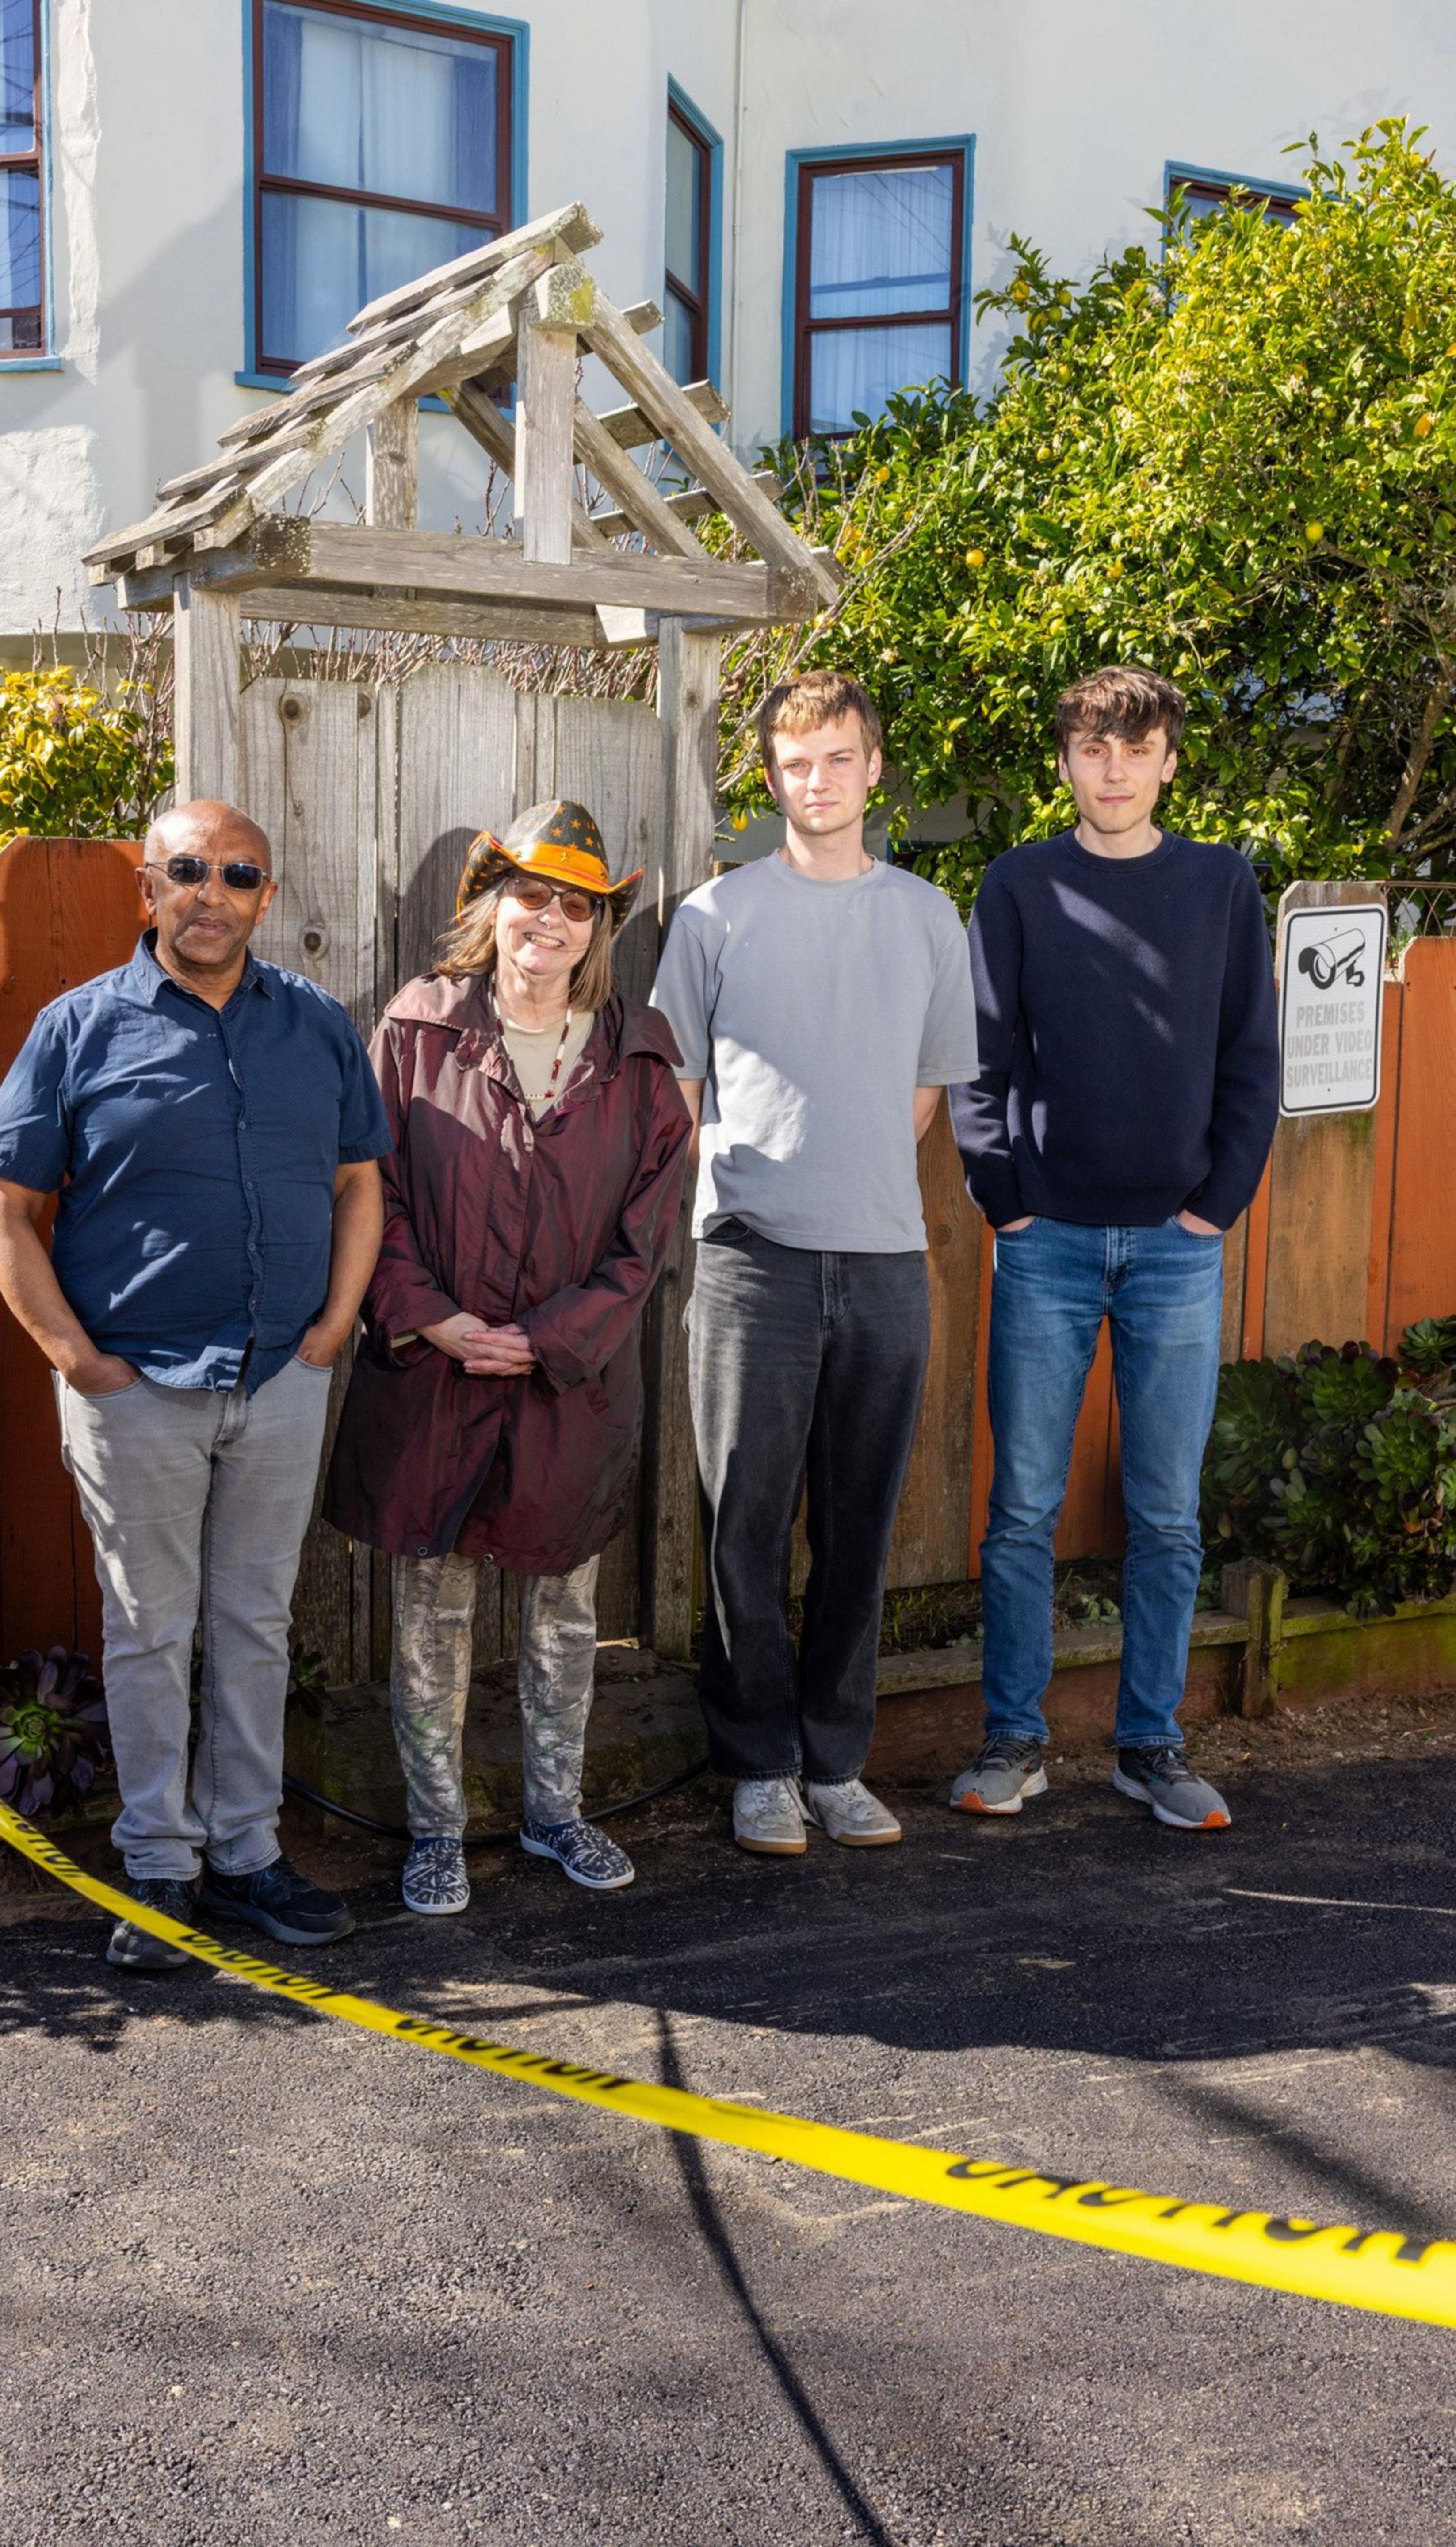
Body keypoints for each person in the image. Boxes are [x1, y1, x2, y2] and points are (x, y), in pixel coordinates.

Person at [0, 801, 390, 1969]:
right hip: (135, 1388)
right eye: (188, 872)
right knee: (150, 1632)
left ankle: (248, 1854)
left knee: (254, 1625)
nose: (213, 894)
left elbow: (361, 1185)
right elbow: (1, 1211)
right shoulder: (79, 1029)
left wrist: (338, 1321)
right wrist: (74, 1357)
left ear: (267, 893)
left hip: (280, 1377)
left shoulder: (313, 1028)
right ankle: (159, 1867)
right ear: (147, 890)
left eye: (238, 874)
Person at [324, 802, 691, 1917]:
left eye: (576, 902)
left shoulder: (638, 1060)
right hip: (433, 1376)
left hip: (570, 1388)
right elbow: (364, 1196)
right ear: (493, 904)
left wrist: (550, 1338)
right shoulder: (417, 1032)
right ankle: (437, 1830)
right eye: (530, 893)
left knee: (563, 1613)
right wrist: (429, 1315)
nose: (550, 918)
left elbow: (647, 1238)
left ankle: (555, 1813)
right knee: (431, 1612)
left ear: (598, 927)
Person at [650, 671, 979, 1857]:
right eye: (796, 763)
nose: (819, 781)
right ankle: (758, 1766)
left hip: (886, 1257)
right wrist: (762, 1179)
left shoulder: (927, 917)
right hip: (750, 1261)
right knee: (743, 1522)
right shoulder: (715, 915)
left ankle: (838, 1761)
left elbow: (932, 1086)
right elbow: (674, 1085)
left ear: (873, 769)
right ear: (772, 778)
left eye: (839, 759)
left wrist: (847, 1170)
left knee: (859, 1523)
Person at [948, 666, 1279, 1832]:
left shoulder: (1220, 885)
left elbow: (1251, 1059)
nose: (1115, 770)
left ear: (1169, 761)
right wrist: (1006, 1203)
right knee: (1024, 1511)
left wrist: (1215, 1205)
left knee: (1169, 1515)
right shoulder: (1021, 885)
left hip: (1178, 1247)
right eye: (1094, 750)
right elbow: (977, 1058)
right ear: (1066, 763)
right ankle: (1015, 1742)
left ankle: (1150, 1744)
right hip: (1047, 1243)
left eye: (1136, 750)